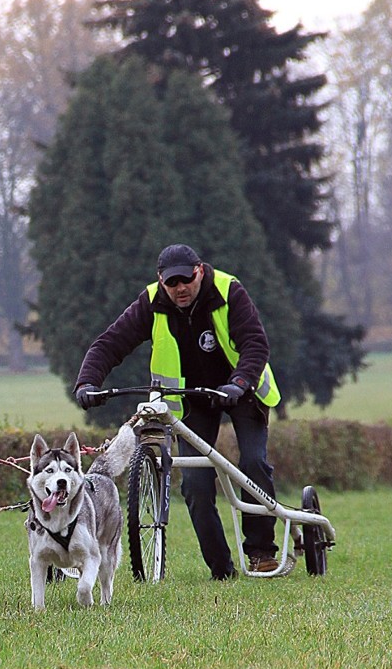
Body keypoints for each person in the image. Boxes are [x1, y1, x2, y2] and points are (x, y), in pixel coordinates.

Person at [74, 243, 282, 580]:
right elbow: (109, 344)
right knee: (196, 484)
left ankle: (261, 552)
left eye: (186, 280)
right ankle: (222, 570)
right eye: (172, 283)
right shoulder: (151, 302)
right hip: (192, 400)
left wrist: (239, 381)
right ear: (161, 280)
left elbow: (255, 344)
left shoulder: (230, 291)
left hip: (242, 392)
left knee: (253, 463)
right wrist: (87, 383)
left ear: (199, 271)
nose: (180, 289)